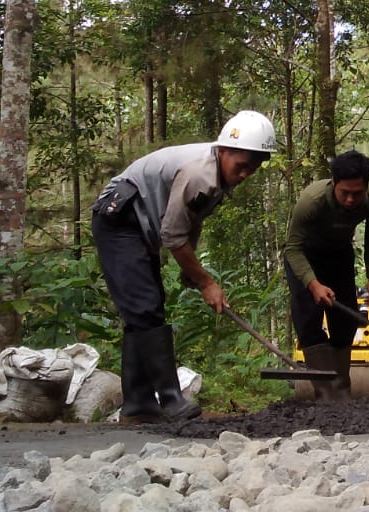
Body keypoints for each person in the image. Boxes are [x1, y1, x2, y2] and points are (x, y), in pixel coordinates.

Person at [90, 110, 277, 422]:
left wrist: (190, 270)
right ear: (224, 150)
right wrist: (206, 282)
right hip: (119, 221)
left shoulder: (215, 175)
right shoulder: (200, 173)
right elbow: (173, 235)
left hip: (138, 225)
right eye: (241, 165)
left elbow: (189, 221)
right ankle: (170, 399)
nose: (245, 173)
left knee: (145, 311)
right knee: (146, 307)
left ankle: (138, 405)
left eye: (253, 168)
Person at [283, 150, 369, 400]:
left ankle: (342, 393)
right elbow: (292, 248)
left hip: (339, 255)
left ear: (366, 187)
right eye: (345, 193)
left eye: (357, 194)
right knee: (308, 322)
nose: (351, 199)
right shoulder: (312, 201)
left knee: (344, 320)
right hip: (305, 255)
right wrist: (313, 285)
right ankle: (326, 396)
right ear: (334, 184)